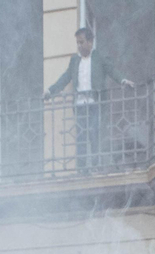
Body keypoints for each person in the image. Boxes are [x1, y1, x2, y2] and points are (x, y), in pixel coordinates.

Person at [45, 26, 135, 170]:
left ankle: (95, 165)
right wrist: (50, 91)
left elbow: (112, 71)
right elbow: (65, 78)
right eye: (78, 43)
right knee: (81, 136)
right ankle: (82, 169)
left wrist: (123, 80)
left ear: (90, 42)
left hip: (95, 103)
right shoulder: (74, 61)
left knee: (94, 133)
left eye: (81, 42)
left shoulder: (99, 58)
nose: (79, 46)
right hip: (80, 105)